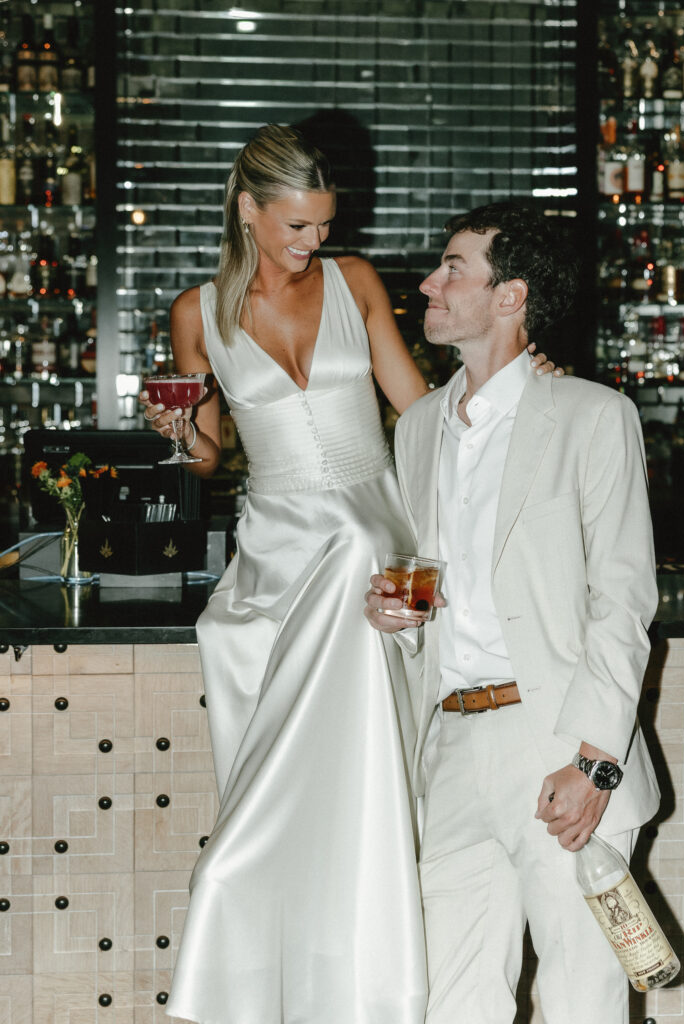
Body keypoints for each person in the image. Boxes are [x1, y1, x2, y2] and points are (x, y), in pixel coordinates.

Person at [138, 126, 557, 1024]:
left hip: (373, 538)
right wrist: (177, 434)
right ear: (247, 209)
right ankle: (276, 983)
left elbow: (416, 403)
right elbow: (210, 460)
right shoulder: (195, 312)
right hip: (274, 551)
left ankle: (350, 976)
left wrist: (521, 385)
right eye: (295, 226)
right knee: (281, 793)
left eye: (322, 226)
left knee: (369, 777)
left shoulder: (353, 282)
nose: (311, 243)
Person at [365, 202, 660, 1024]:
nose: (429, 282)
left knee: (578, 995)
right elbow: (422, 578)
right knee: (450, 999)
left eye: (454, 266)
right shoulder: (418, 426)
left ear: (511, 296)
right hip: (447, 745)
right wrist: (387, 608)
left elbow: (623, 600)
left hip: (558, 743)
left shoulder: (593, 417)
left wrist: (595, 763)